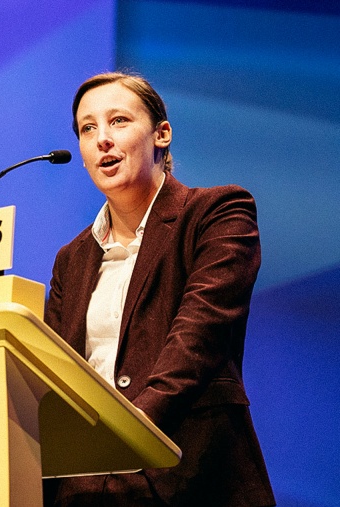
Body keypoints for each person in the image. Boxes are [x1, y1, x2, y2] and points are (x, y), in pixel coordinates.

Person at [43, 72, 275, 506]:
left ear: (161, 135)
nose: (102, 140)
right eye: (88, 128)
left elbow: (197, 337)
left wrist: (133, 431)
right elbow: (56, 378)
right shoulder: (70, 260)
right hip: (85, 488)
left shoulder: (217, 214)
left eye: (119, 121)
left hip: (187, 475)